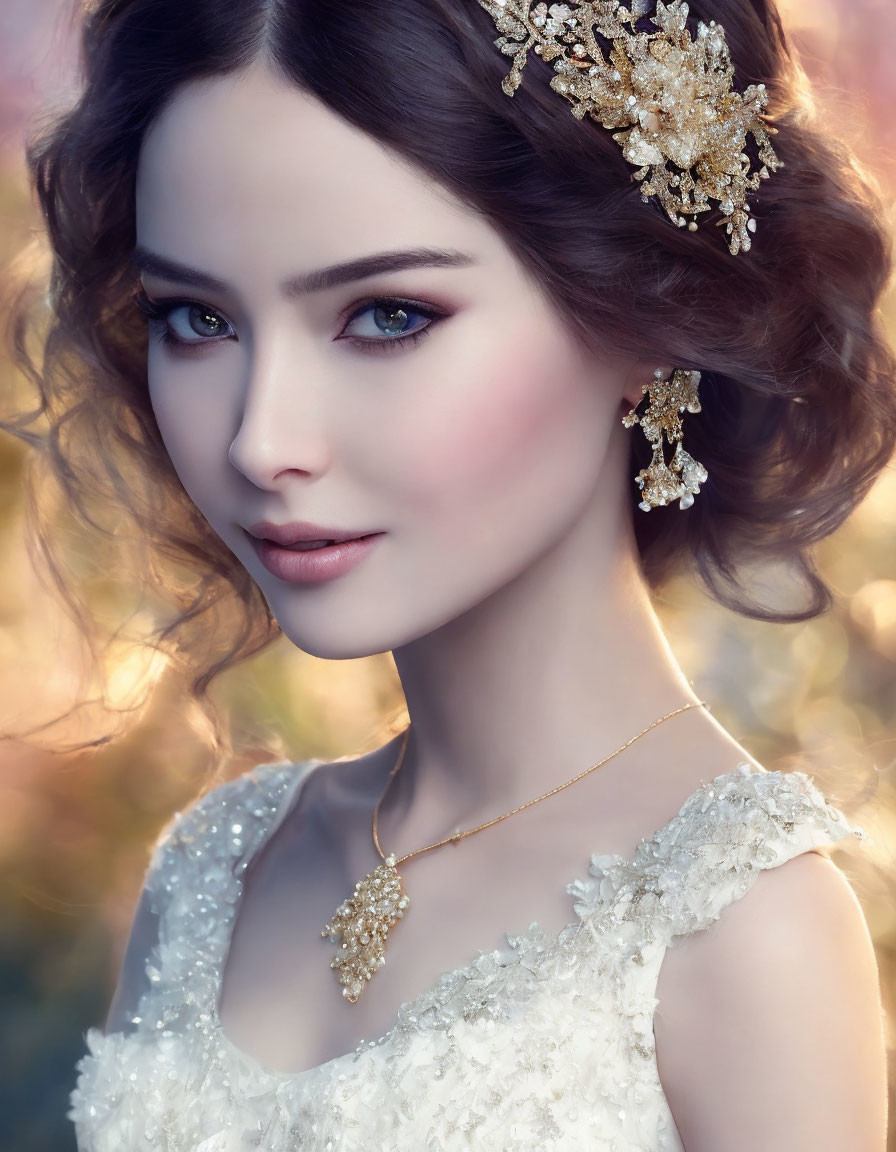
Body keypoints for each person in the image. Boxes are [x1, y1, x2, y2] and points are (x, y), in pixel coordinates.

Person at [4, 0, 893, 1147]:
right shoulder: (219, 868)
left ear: (650, 308)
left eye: (385, 315)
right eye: (195, 319)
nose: (261, 439)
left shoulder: (737, 931)